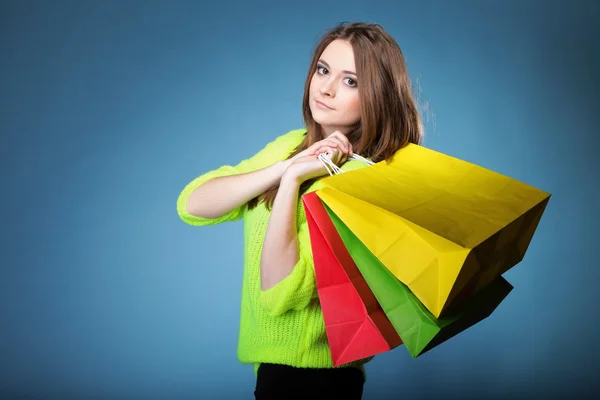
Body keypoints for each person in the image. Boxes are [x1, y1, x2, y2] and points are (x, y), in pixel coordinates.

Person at [176, 22, 423, 399]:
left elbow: (281, 294)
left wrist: (291, 184)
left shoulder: (362, 180)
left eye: (350, 81)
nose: (325, 88)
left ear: (378, 94)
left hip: (318, 381)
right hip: (274, 373)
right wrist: (284, 168)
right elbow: (193, 204)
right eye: (323, 70)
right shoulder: (292, 146)